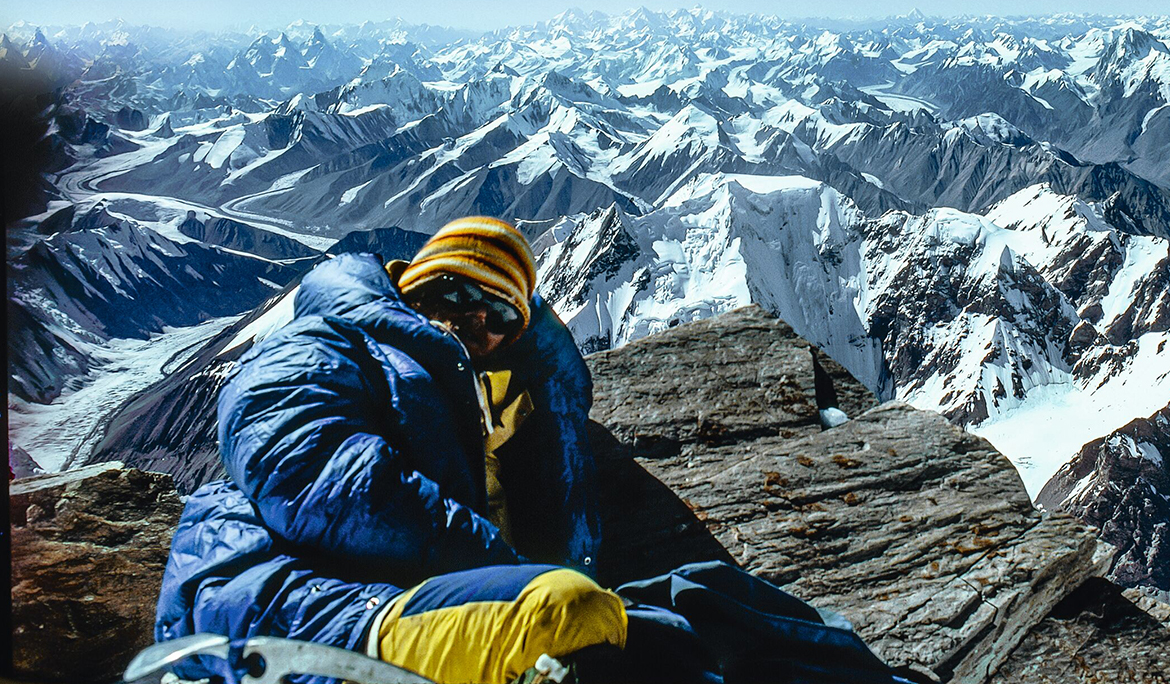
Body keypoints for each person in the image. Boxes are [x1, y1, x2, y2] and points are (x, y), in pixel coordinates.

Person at [157, 216, 912, 683]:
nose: (470, 323)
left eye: (497, 317)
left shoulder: (504, 410)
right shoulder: (328, 343)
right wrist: (508, 566)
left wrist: (541, 382)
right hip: (315, 606)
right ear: (406, 284)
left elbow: (561, 493)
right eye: (450, 293)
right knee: (616, 633)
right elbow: (312, 473)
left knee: (708, 600)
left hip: (445, 592)